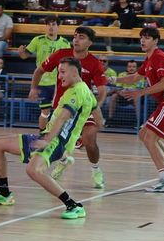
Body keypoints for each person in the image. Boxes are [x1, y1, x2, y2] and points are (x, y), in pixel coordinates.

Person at [0, 56, 96, 219]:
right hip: (49, 137)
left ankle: (73, 205)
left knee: (33, 170)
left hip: (56, 141)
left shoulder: (77, 91)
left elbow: (63, 117)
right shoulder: (86, 91)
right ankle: (3, 192)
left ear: (74, 72)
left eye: (62, 72)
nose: (59, 76)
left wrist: (47, 140)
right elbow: (95, 111)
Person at [25, 25, 109, 189]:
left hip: (84, 108)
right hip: (61, 108)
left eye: (82, 37)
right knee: (56, 142)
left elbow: (102, 91)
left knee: (89, 140)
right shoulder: (61, 55)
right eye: (75, 36)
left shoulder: (94, 63)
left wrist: (94, 108)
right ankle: (63, 160)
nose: (76, 39)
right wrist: (34, 87)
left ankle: (95, 169)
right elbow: (39, 71)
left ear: (90, 42)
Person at [119, 25, 164, 192]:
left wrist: (140, 92)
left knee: (150, 138)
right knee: (144, 134)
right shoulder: (149, 59)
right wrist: (110, 78)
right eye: (142, 37)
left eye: (147, 37)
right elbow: (135, 77)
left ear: (155, 41)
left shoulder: (159, 57)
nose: (143, 40)